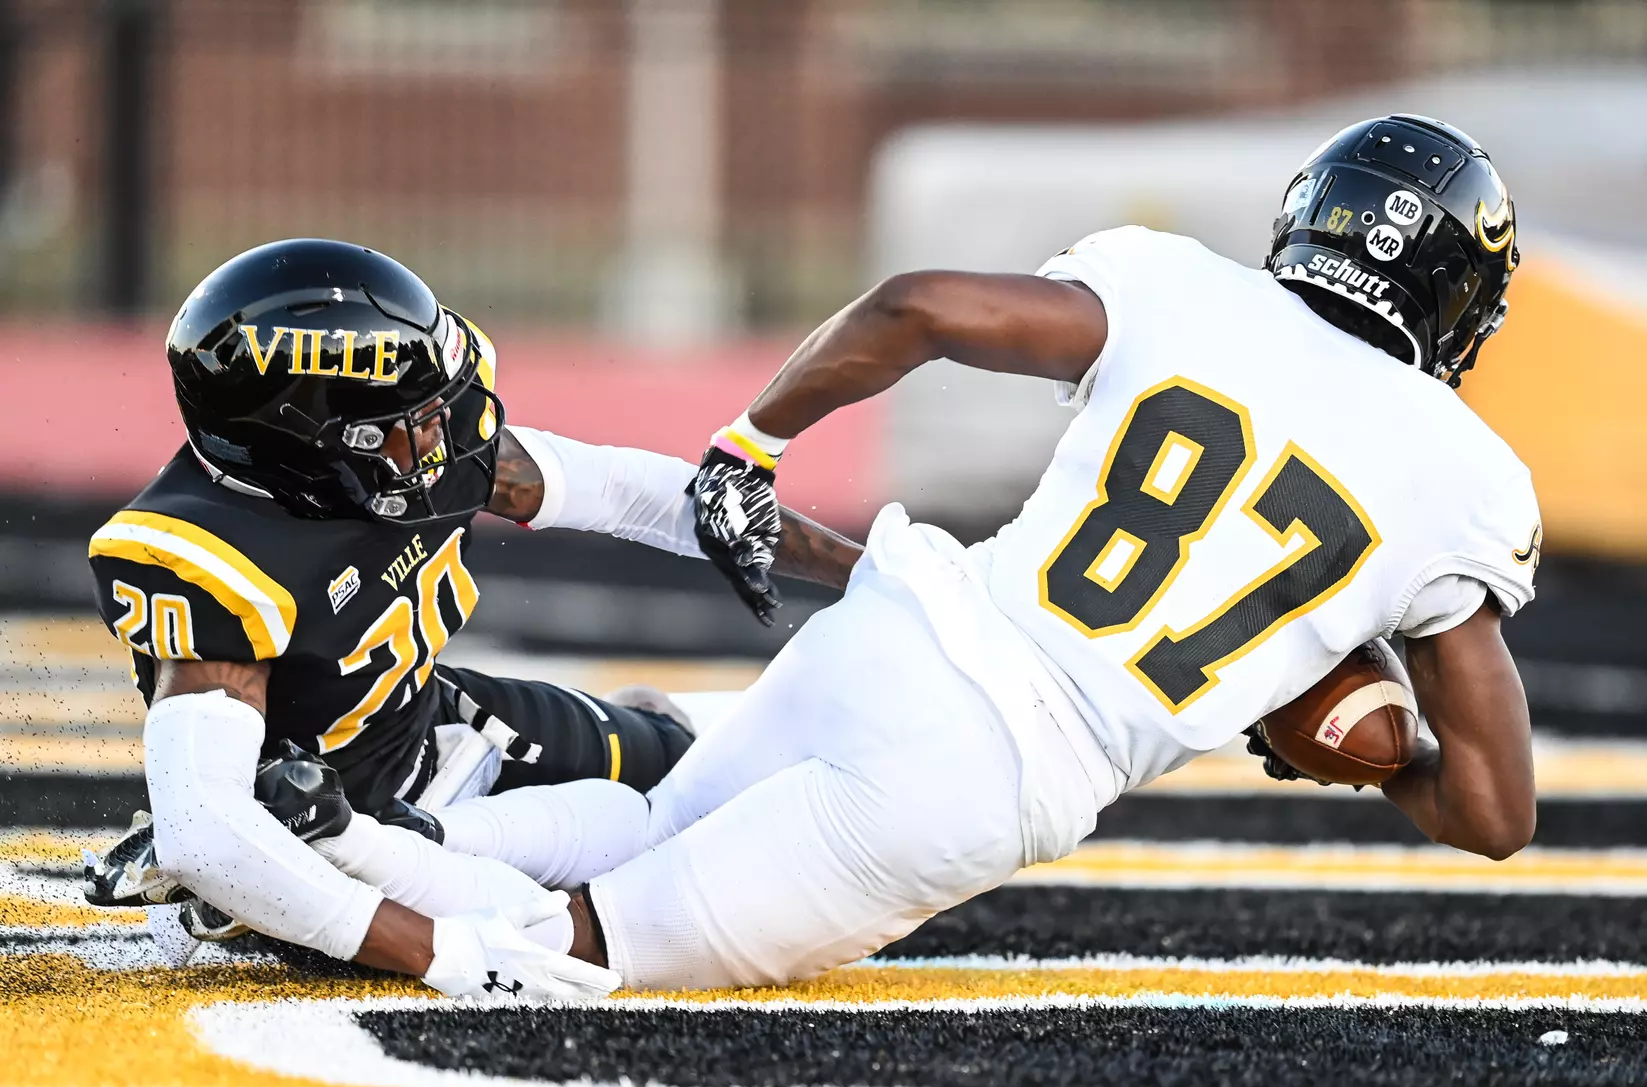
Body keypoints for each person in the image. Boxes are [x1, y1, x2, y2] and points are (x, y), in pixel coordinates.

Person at [270, 114, 1541, 997]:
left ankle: (351, 834)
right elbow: (1495, 816)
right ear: (1459, 294)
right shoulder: (1468, 484)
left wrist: (751, 444)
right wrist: (1375, 755)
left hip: (904, 628)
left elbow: (913, 306)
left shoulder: (1178, 285)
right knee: (580, 949)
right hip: (993, 772)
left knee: (647, 826)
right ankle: (312, 870)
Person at [81, 239, 862, 995]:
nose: (443, 432)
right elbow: (205, 831)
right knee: (609, 923)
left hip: (436, 725)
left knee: (684, 767)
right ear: (310, 444)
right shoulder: (212, 556)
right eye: (412, 420)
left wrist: (869, 571)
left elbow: (631, 495)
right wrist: (435, 952)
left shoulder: (412, 456)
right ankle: (257, 906)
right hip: (329, 824)